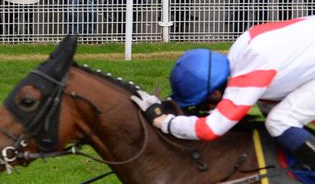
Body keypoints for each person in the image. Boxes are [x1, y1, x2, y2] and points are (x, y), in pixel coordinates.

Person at [132, 18, 315, 171]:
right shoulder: (239, 50)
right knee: (274, 110)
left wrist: (164, 122)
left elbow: (210, 129)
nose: (206, 109)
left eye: (204, 104)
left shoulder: (252, 70)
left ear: (215, 93)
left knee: (280, 121)